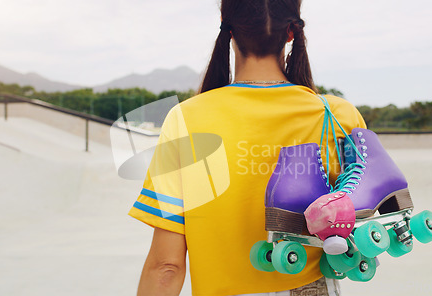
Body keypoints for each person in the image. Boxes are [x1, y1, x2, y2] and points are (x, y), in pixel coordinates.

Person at [128, 0, 366, 295]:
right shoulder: (338, 116)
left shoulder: (187, 119)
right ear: (292, 31)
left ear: (228, 29)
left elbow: (167, 266)